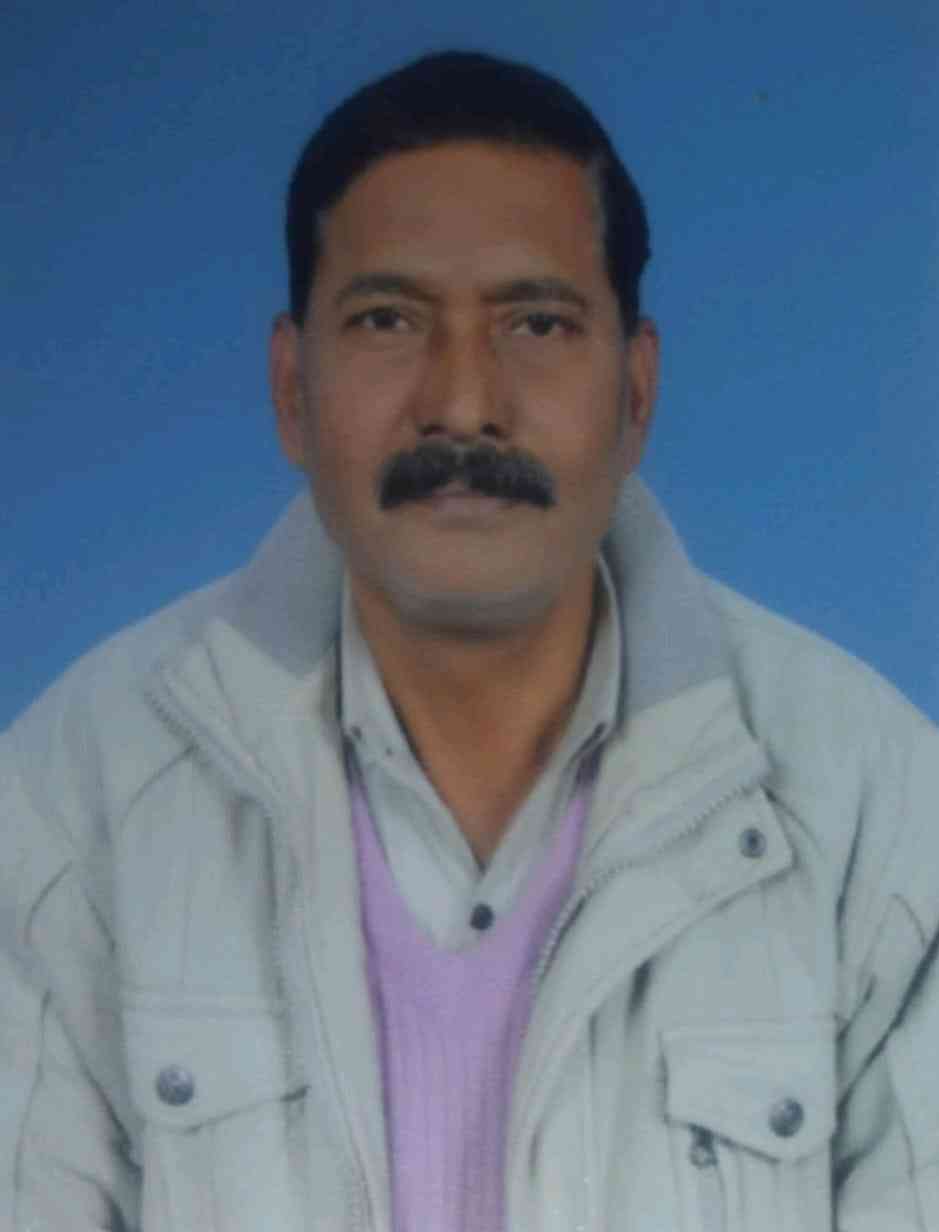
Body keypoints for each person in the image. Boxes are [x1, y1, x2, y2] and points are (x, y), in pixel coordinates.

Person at [2, 48, 938, 1232]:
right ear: (291, 388)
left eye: (537, 322)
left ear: (636, 391)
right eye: (387, 319)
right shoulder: (74, 803)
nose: (462, 402)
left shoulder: (875, 817)